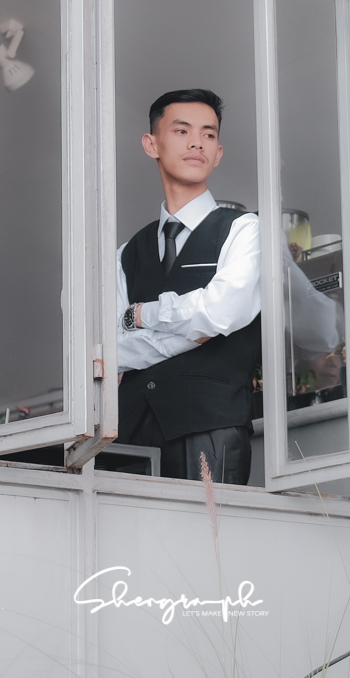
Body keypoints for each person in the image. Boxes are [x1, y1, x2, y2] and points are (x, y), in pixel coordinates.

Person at [116, 89, 261, 484]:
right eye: (182, 131)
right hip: (128, 431)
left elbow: (218, 314)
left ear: (218, 153)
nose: (197, 142)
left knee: (207, 529)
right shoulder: (128, 253)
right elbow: (111, 347)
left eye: (208, 134)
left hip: (210, 430)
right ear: (152, 144)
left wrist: (141, 315)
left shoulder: (245, 230)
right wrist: (190, 327)